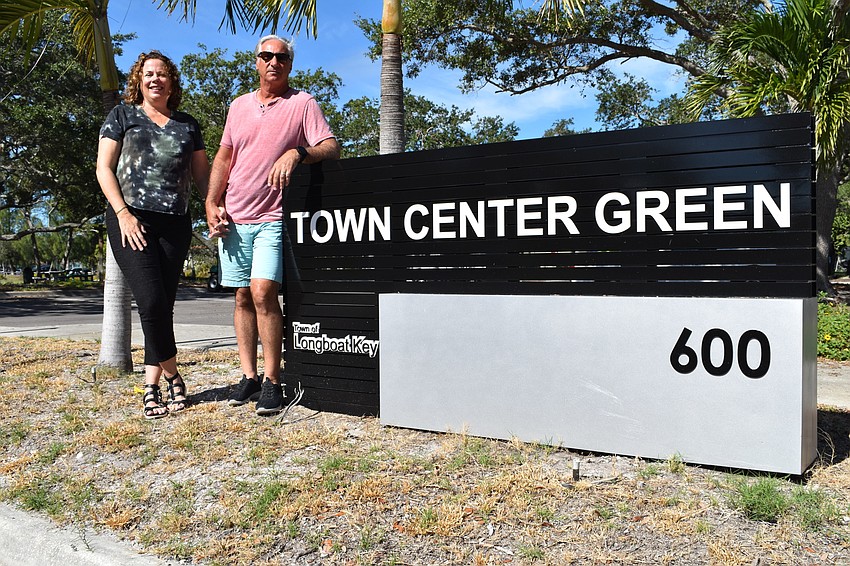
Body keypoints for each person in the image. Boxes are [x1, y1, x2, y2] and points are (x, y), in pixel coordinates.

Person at [206, 35, 340, 415]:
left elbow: (331, 147)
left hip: (272, 217)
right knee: (241, 296)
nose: (273, 62)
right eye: (267, 56)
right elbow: (224, 157)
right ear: (256, 61)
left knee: (263, 292)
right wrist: (212, 202)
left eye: (281, 57)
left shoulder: (302, 103)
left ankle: (272, 380)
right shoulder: (238, 106)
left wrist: (298, 153)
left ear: (290, 65)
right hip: (235, 217)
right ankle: (248, 376)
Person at [96, 51, 210, 420]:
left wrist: (215, 206)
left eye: (162, 73)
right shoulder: (122, 116)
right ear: (139, 80)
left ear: (172, 81)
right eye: (148, 74)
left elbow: (202, 176)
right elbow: (103, 168)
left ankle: (151, 386)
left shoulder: (187, 125)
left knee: (161, 305)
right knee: (150, 302)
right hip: (131, 219)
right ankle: (174, 375)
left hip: (176, 223)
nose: (155, 79)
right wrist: (123, 214)